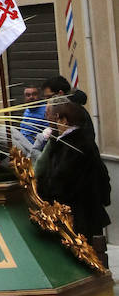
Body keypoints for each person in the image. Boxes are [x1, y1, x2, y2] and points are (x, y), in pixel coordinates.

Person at [36, 99, 111, 241]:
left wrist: (42, 192)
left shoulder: (73, 145)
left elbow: (61, 180)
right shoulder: (77, 141)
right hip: (85, 212)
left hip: (78, 216)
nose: (48, 120)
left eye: (50, 116)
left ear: (63, 120)